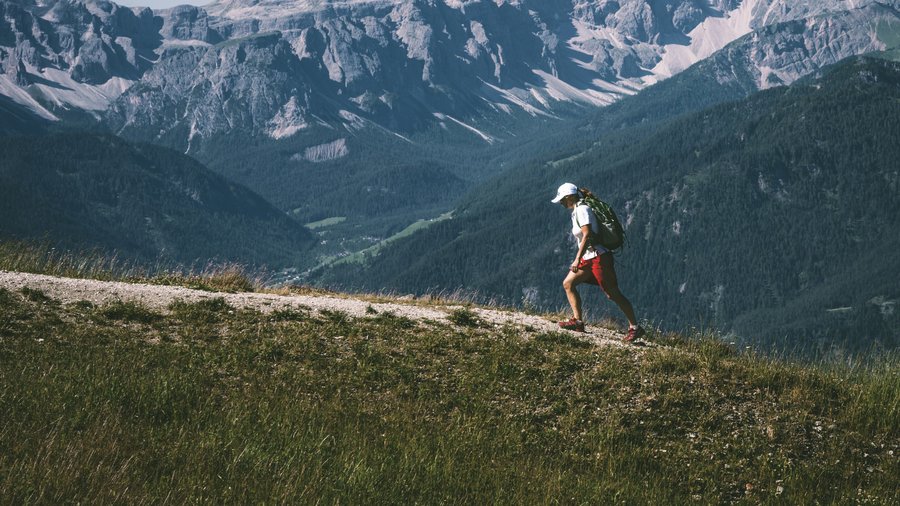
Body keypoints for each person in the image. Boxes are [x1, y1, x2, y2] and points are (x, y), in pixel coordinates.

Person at [551, 182, 645, 342]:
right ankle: (578, 322)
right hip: (588, 257)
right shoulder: (576, 211)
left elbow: (587, 234)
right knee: (568, 284)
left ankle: (635, 327)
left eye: (562, 200)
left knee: (612, 293)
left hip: (598, 257)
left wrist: (577, 258)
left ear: (569, 197)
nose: (561, 203)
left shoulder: (582, 210)